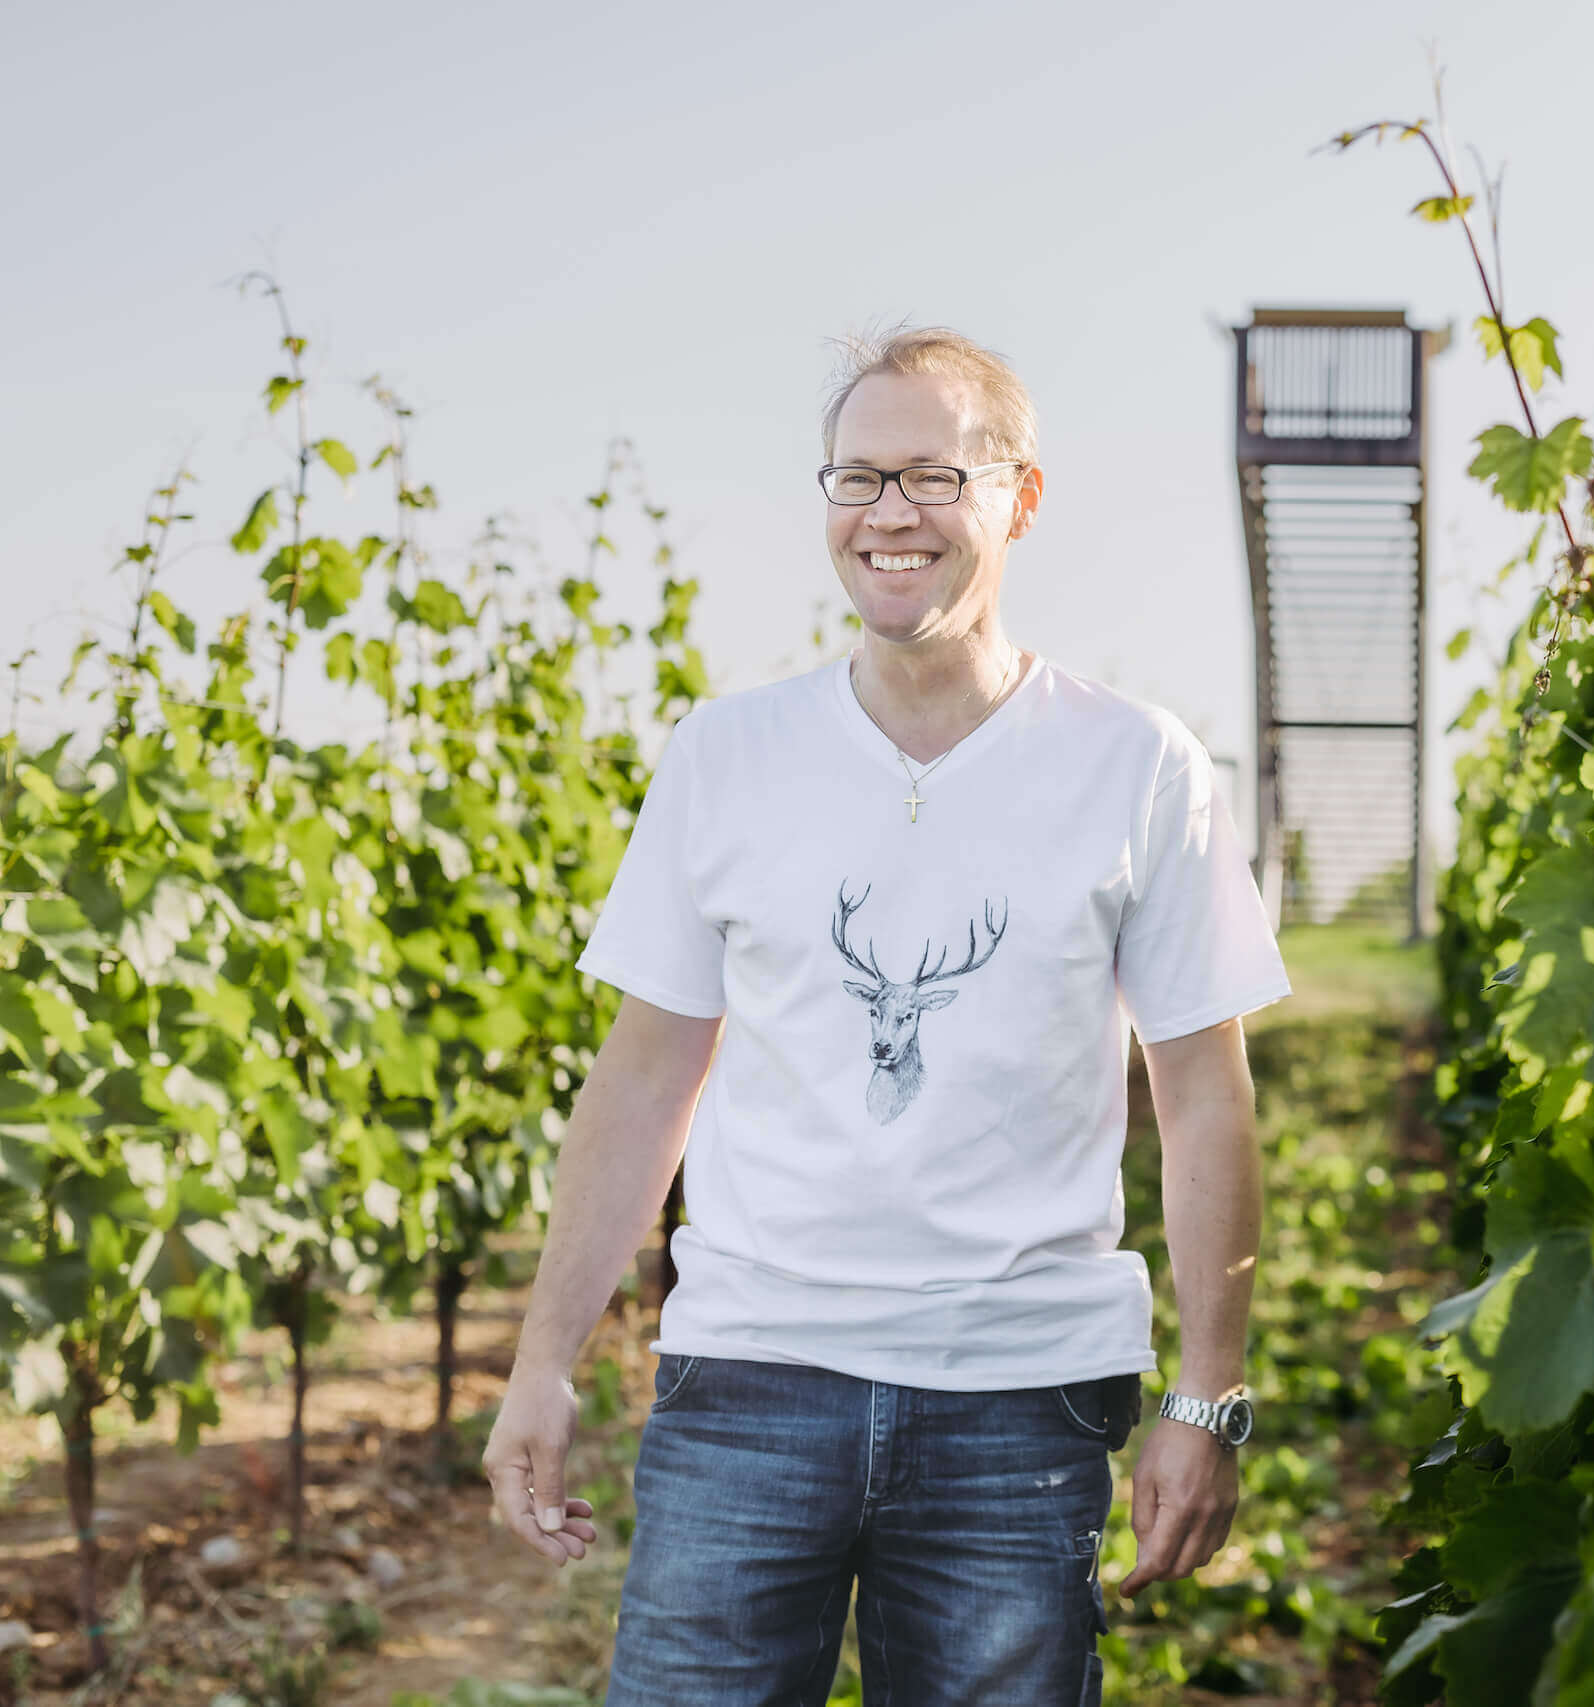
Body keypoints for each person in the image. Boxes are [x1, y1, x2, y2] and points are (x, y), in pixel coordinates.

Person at [478, 325, 1291, 1707]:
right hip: (746, 1383)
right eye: (858, 479)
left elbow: (1204, 1094)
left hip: (1018, 1404)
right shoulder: (725, 757)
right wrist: (542, 1358)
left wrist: (1207, 1401)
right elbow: (644, 1076)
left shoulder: (1136, 764)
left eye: (930, 475)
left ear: (1019, 500)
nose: (888, 515)